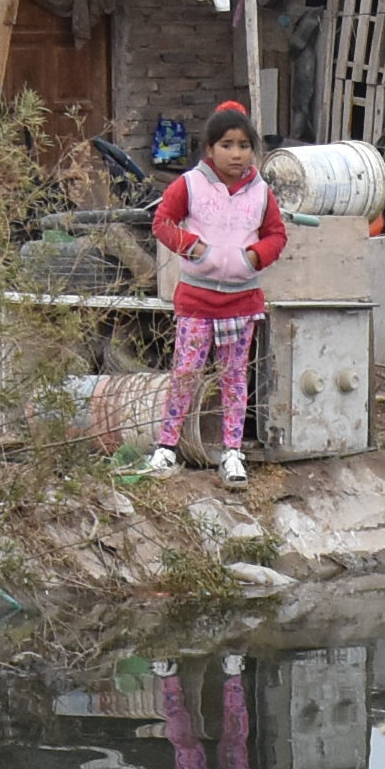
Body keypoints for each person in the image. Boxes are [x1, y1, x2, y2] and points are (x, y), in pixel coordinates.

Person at [142, 99, 288, 485]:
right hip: (197, 300)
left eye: (244, 145)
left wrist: (254, 257)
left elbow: (277, 235)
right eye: (226, 145)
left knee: (234, 377)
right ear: (209, 148)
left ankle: (232, 453)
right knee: (185, 372)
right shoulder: (190, 184)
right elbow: (162, 222)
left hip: (241, 302)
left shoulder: (261, 192)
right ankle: (166, 447)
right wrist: (194, 248)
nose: (236, 154)